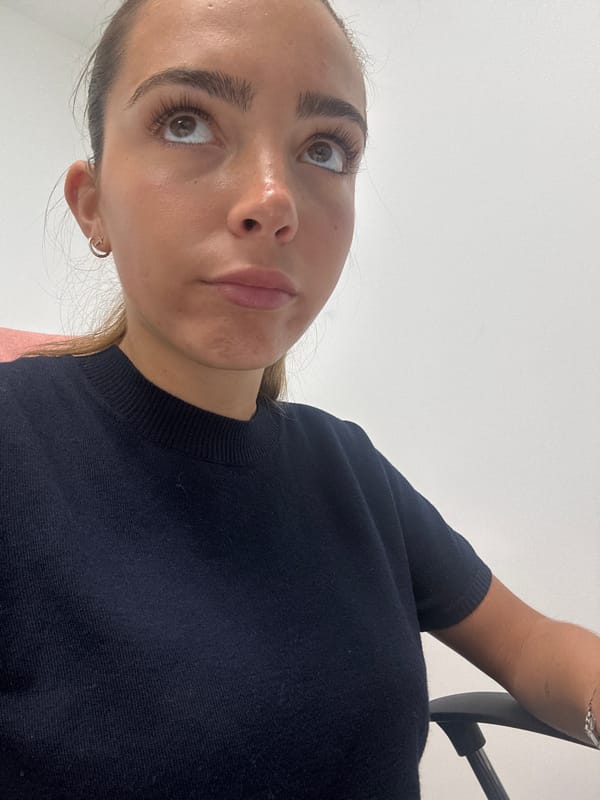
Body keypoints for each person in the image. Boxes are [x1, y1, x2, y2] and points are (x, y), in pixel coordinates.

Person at [0, 0, 598, 797]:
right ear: (93, 203)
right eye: (186, 122)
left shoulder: (345, 464)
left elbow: (532, 648)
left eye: (324, 148)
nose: (273, 200)